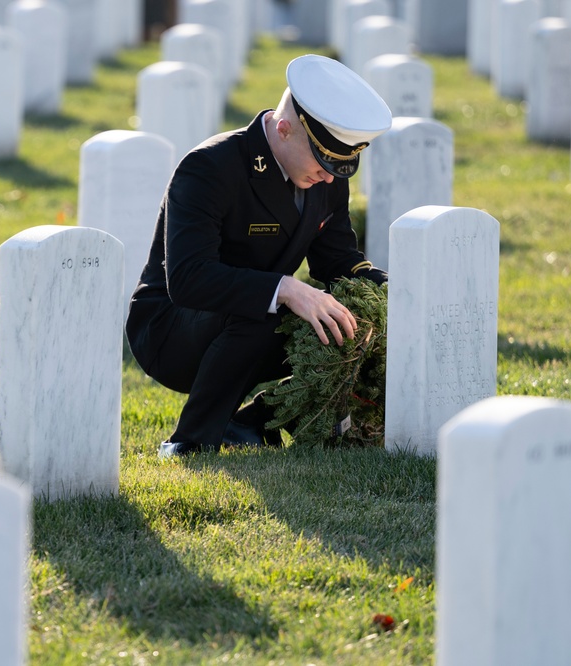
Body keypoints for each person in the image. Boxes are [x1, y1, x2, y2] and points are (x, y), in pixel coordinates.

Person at [125, 54, 392, 458]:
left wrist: (392, 292)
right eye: (321, 161)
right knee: (262, 310)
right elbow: (188, 278)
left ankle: (252, 421)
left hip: (251, 323)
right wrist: (284, 288)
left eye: (337, 167)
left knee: (344, 321)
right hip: (171, 327)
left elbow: (337, 263)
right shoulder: (209, 168)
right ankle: (189, 441)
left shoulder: (327, 182)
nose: (327, 176)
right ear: (284, 129)